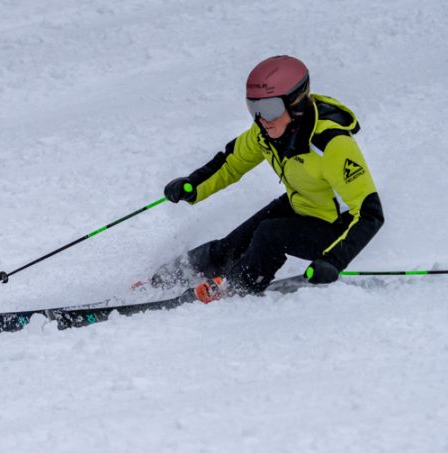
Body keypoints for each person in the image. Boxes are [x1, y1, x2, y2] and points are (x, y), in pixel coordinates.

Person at [156, 55, 385, 302]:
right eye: (254, 108)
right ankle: (165, 278)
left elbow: (369, 213)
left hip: (338, 228)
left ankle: (235, 287)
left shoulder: (331, 144)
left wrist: (333, 260)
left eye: (270, 108)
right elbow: (231, 162)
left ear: (296, 103)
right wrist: (192, 185)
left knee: (269, 234)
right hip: (303, 203)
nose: (262, 119)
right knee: (234, 243)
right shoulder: (265, 132)